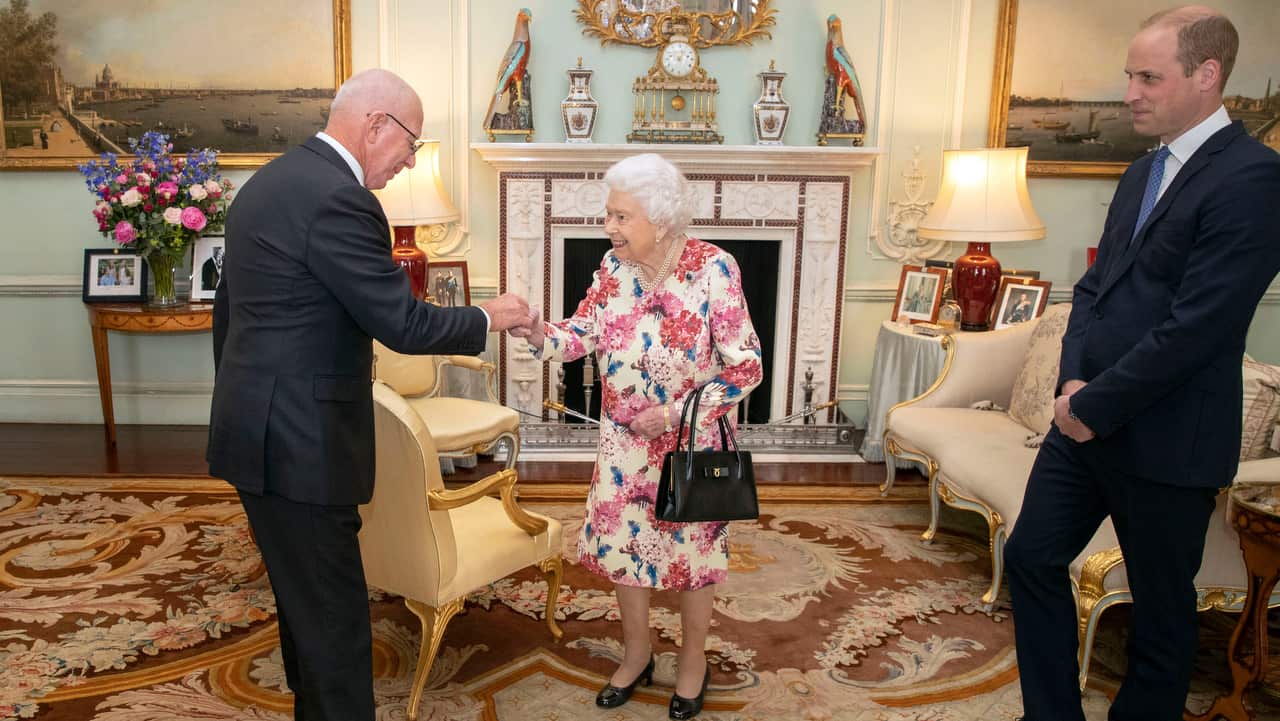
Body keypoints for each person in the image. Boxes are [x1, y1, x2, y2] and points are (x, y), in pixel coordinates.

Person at [206, 68, 531, 721]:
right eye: (410, 143)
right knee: (335, 628)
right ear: (376, 123)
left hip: (253, 432)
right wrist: (491, 315)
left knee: (304, 613)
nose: (409, 160)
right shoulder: (340, 198)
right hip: (303, 446)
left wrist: (251, 405)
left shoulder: (268, 182)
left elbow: (228, 316)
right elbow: (404, 324)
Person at [1003, 7, 1280, 721]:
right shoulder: (1140, 171)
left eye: (1148, 77)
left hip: (1169, 440)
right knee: (1031, 556)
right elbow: (1094, 288)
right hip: (1081, 423)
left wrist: (1093, 405)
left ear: (1207, 75)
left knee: (1161, 618)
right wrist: (1071, 383)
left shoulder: (1255, 180)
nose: (1130, 92)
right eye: (1129, 75)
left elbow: (1199, 326)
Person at [514, 153, 763, 721]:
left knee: (692, 557)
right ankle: (637, 654)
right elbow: (580, 334)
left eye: (622, 217)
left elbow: (746, 367)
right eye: (609, 215)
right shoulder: (612, 269)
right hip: (624, 447)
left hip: (691, 445)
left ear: (661, 217)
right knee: (626, 552)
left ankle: (692, 661)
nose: (610, 228)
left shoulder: (714, 269)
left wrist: (676, 414)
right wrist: (538, 330)